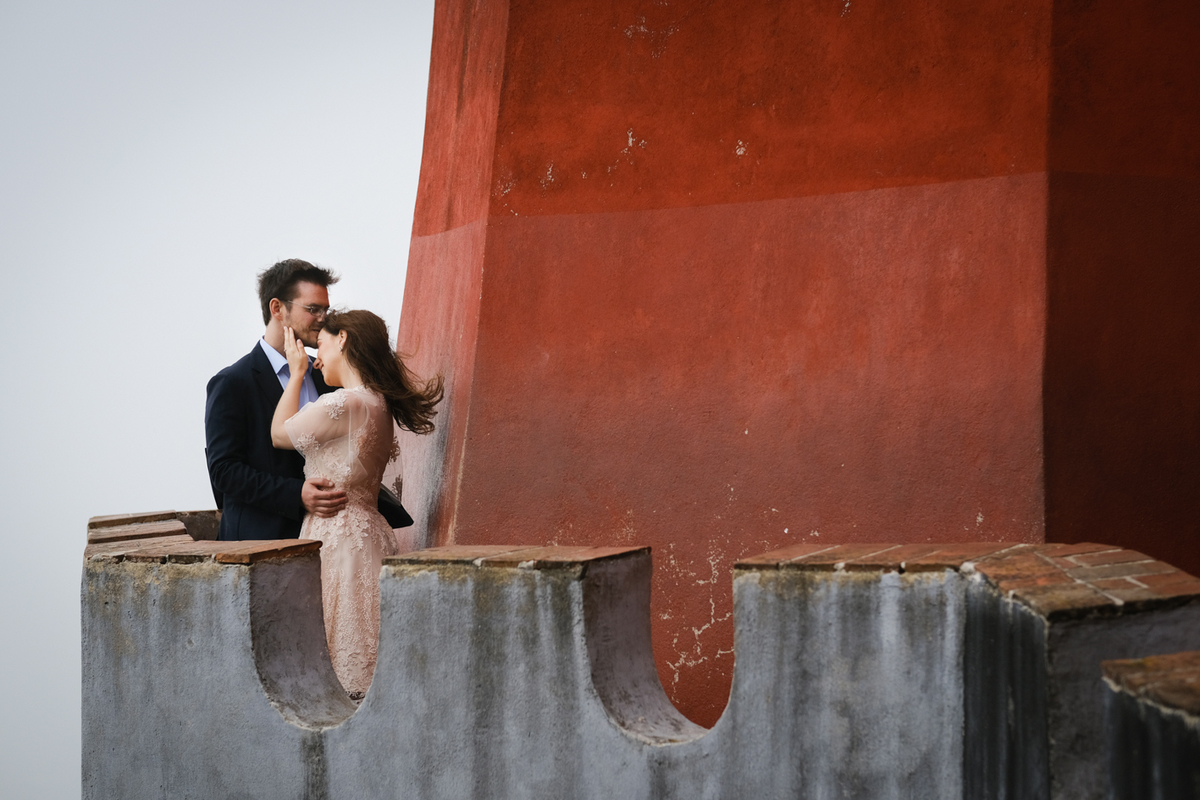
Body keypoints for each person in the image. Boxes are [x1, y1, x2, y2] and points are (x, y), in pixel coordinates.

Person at [270, 309, 442, 698]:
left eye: (322, 344)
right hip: (366, 534)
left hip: (336, 536)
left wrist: (295, 373)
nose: (317, 356)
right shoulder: (378, 403)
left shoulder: (347, 402)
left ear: (343, 338)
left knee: (341, 646)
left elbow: (279, 434)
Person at [205, 259, 347, 541]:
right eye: (313, 309)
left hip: (330, 540)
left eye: (325, 309)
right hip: (260, 544)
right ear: (277, 308)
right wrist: (296, 494)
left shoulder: (327, 375)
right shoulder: (232, 382)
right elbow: (224, 471)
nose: (323, 318)